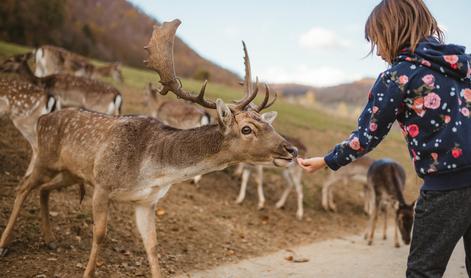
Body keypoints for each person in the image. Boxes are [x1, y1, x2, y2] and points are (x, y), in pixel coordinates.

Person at [297, 0, 471, 277]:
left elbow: (368, 134)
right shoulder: (465, 67)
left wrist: (328, 160)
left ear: (393, 32)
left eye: (377, 41)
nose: (377, 51)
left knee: (423, 271)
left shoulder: (397, 77)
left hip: (446, 187)